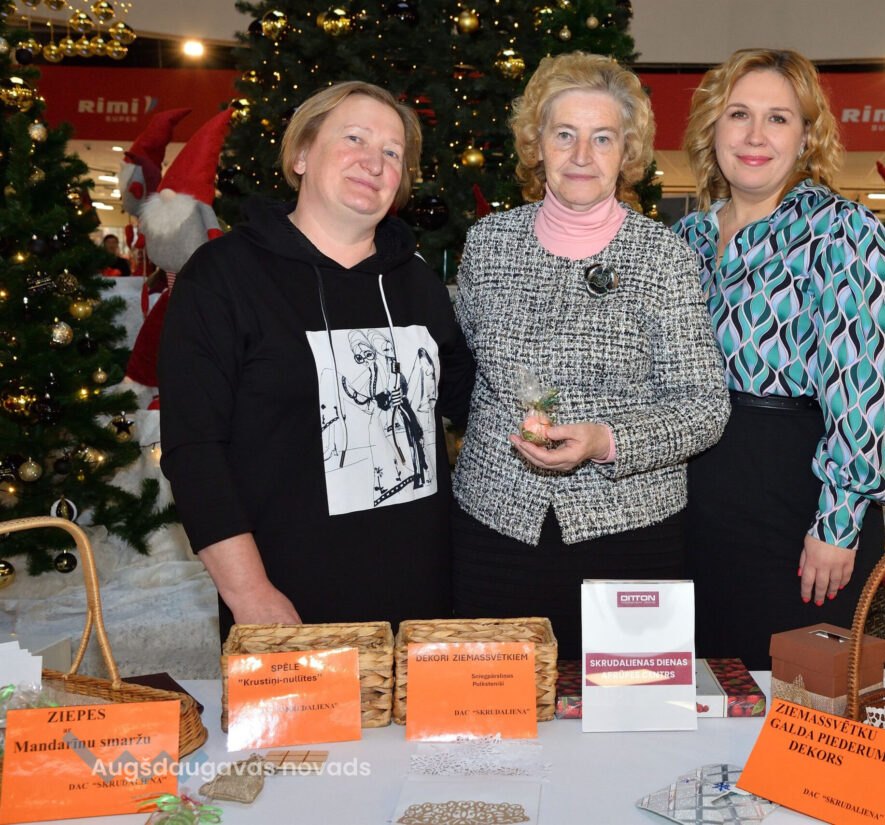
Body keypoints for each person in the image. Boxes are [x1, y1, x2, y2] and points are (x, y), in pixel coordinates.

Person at [159, 81, 475, 641]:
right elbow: (194, 451)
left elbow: (470, 397)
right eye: (354, 138)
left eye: (392, 152)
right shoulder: (223, 276)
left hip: (426, 606)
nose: (374, 162)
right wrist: (249, 594)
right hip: (286, 605)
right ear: (301, 154)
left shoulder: (418, 283)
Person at [451, 52, 730, 660]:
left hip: (630, 531)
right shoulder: (487, 245)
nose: (582, 155)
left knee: (628, 708)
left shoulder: (664, 258)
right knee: (495, 707)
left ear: (627, 152)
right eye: (565, 135)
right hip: (496, 526)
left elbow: (705, 406)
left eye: (602, 137)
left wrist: (607, 440)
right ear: (537, 144)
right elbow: (465, 369)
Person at [674, 48, 885, 670]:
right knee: (705, 687)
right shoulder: (686, 239)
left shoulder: (845, 232)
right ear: (712, 129)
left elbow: (871, 388)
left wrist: (838, 524)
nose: (755, 135)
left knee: (798, 698)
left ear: (807, 136)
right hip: (693, 503)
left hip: (799, 500)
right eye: (738, 115)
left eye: (778, 118)